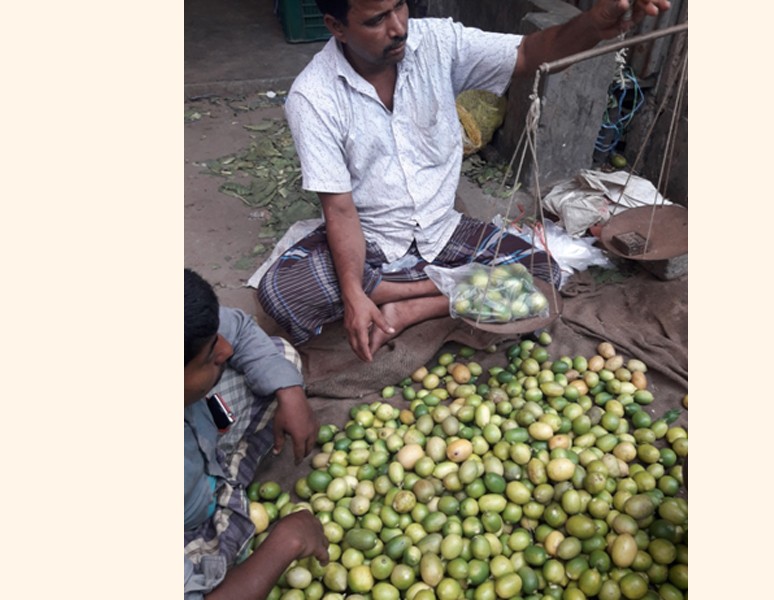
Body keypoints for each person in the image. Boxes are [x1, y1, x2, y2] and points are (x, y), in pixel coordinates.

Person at [257, 0, 671, 362]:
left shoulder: (436, 42)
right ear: (336, 26)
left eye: (400, 6)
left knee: (544, 273)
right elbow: (340, 209)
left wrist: (594, 24)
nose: (398, 26)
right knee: (281, 292)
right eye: (376, 19)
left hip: (443, 230)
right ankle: (413, 288)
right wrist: (353, 293)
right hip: (372, 241)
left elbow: (528, 51)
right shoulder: (313, 97)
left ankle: (409, 307)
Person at [184, 268, 328, 599]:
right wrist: (285, 543)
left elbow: (241, 329)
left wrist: (290, 391)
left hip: (197, 438)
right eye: (210, 356)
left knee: (278, 359)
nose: (224, 351)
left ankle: (222, 478)